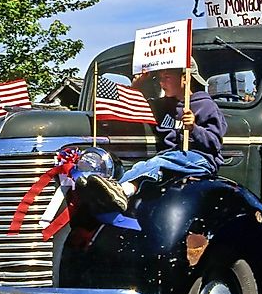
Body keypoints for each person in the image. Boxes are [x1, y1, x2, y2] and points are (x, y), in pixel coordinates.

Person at [81, 61, 227, 212]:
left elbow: (215, 143)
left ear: (186, 78)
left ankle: (120, 188)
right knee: (147, 167)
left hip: (200, 160)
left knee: (157, 163)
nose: (162, 82)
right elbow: (134, 103)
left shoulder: (205, 105)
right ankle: (117, 191)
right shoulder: (162, 106)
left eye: (167, 77)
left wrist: (194, 128)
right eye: (159, 78)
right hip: (170, 158)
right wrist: (140, 82)